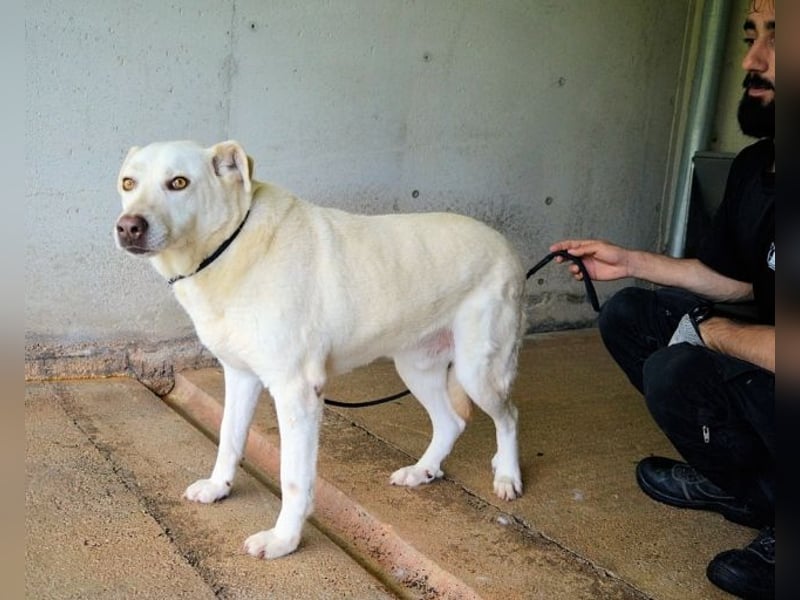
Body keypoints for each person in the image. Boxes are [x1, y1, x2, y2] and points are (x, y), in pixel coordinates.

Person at [550, 2, 775, 598]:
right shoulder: (761, 164)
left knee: (679, 367)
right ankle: (749, 490)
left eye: (778, 39)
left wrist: (715, 334)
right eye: (753, 36)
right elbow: (739, 280)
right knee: (632, 317)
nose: (752, 60)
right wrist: (628, 263)